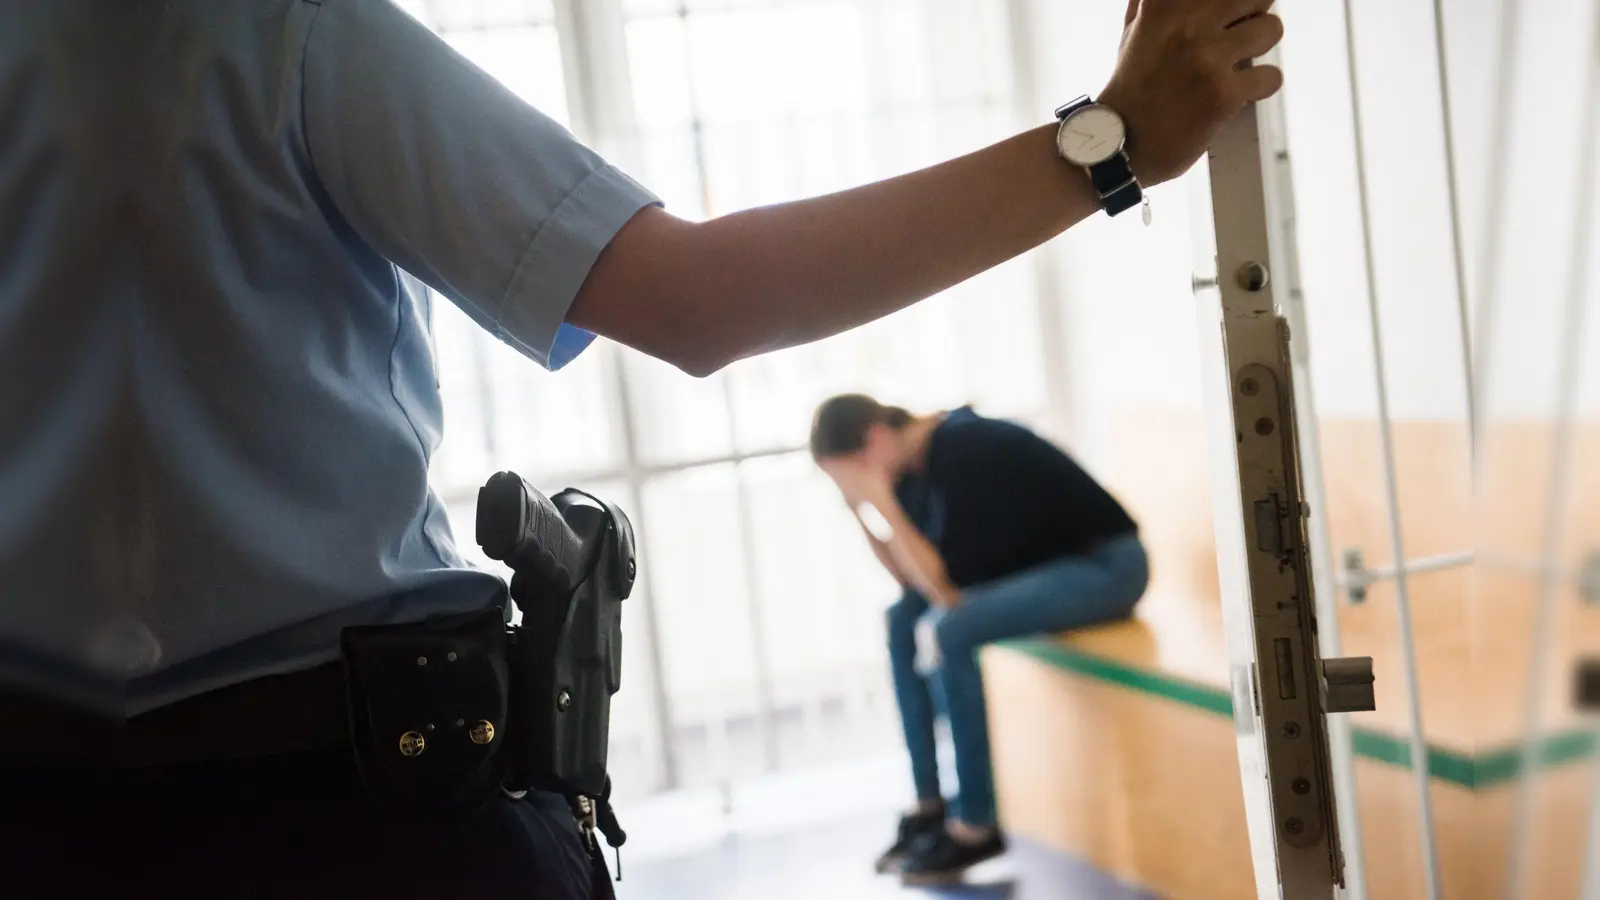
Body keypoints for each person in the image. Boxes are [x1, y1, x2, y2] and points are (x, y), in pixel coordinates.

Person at [0, 0, 1281, 896]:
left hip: (49, 806)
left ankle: (960, 818)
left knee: (932, 630)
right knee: (926, 631)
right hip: (348, 811)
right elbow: (696, 300)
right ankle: (959, 817)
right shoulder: (265, 32)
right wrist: (1106, 148)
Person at [809, 396, 1148, 885]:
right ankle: (930, 805)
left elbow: (945, 594)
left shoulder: (964, 450)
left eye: (850, 474)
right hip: (1053, 571)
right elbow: (911, 585)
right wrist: (864, 514)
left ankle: (974, 824)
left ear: (876, 439)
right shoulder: (915, 469)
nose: (853, 486)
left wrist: (881, 501)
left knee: (949, 631)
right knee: (902, 619)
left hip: (1109, 568)